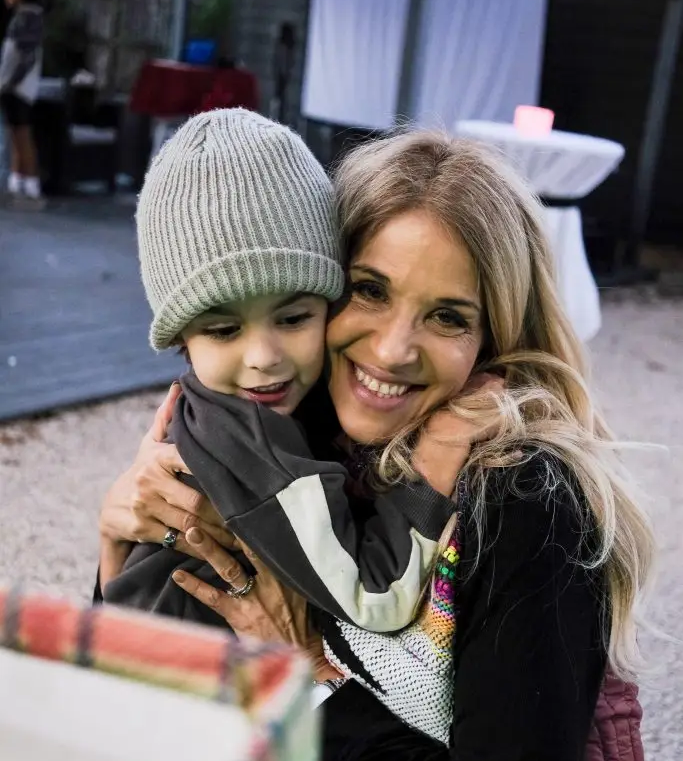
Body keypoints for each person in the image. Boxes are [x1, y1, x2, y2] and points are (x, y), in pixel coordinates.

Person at [99, 131, 671, 761]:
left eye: (448, 317)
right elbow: (130, 674)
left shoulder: (523, 498)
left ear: (495, 333)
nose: (393, 350)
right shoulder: (289, 426)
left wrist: (308, 672)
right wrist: (117, 534)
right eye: (369, 290)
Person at [103, 108, 475, 640]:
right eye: (224, 330)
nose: (264, 356)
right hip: (184, 678)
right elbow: (375, 598)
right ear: (181, 337)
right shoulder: (255, 442)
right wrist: (433, 467)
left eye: (294, 318)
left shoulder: (223, 411)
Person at [0, 0, 44, 205]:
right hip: (16, 85)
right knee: (16, 135)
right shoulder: (25, 17)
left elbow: (25, 57)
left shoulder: (27, 18)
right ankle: (18, 181)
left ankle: (30, 184)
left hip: (18, 87)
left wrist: (8, 82)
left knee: (22, 135)